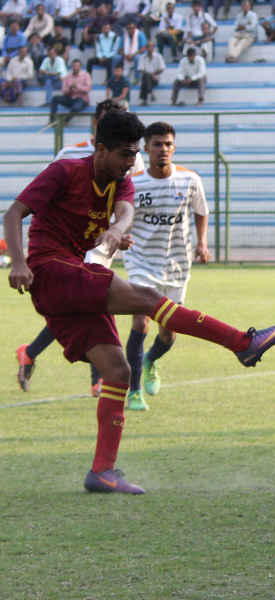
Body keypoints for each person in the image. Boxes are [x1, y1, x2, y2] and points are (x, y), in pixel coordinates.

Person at [3, 109, 275, 494]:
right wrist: (19, 262)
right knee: (147, 299)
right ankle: (242, 343)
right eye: (124, 154)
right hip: (52, 270)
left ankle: (102, 472)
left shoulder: (123, 183)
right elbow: (14, 212)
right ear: (100, 148)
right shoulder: (65, 172)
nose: (131, 162)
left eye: (134, 153)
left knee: (119, 372)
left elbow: (125, 213)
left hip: (73, 279)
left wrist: (116, 232)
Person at [19, 98, 146, 394]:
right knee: (87, 305)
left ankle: (37, 355)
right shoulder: (69, 157)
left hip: (102, 245)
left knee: (89, 307)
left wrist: (115, 231)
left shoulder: (128, 157)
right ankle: (97, 377)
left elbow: (119, 200)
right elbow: (57, 201)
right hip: (67, 251)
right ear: (97, 124)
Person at [123, 121, 209, 411]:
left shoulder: (190, 180)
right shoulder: (134, 183)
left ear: (174, 147)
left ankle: (150, 361)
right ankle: (134, 391)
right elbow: (122, 218)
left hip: (176, 265)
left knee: (169, 331)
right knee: (139, 321)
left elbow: (201, 212)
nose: (163, 149)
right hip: (141, 261)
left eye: (168, 144)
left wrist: (203, 243)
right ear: (146, 148)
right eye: (157, 144)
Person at [136, 38, 162, 103]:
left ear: (154, 48)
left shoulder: (158, 56)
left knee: (145, 78)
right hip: (147, 78)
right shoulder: (142, 57)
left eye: (151, 46)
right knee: (146, 77)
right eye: (148, 47)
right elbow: (140, 69)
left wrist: (153, 75)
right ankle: (151, 93)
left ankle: (144, 100)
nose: (150, 48)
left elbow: (161, 68)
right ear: (146, 48)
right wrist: (151, 75)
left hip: (155, 79)